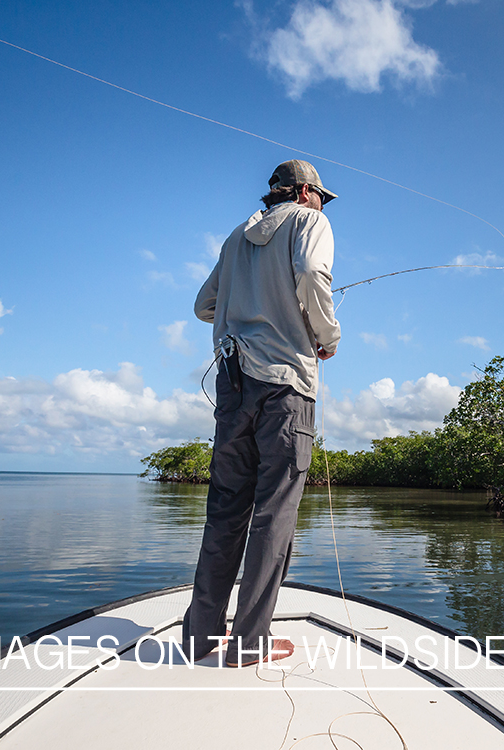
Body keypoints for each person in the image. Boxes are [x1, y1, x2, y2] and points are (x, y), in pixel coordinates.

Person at [182, 160, 340, 668]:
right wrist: (325, 336)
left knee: (225, 511)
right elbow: (313, 273)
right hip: (286, 386)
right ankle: (251, 644)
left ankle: (200, 636)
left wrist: (244, 307)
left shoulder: (234, 237)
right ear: (301, 192)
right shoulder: (309, 222)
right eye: (320, 195)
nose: (323, 204)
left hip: (232, 385)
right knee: (275, 513)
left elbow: (204, 305)